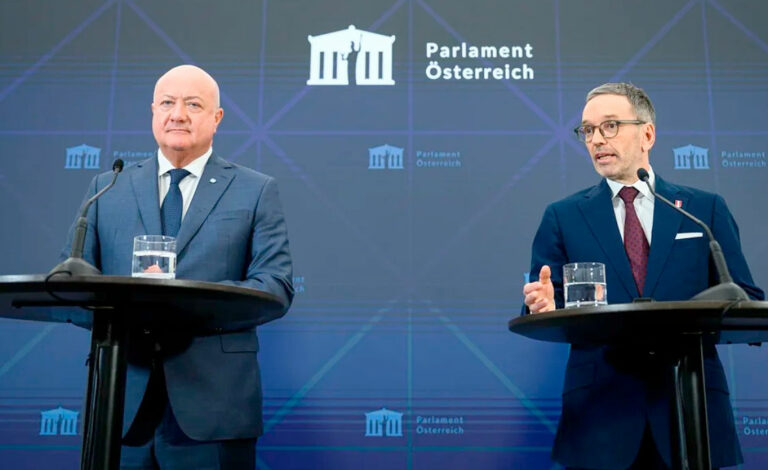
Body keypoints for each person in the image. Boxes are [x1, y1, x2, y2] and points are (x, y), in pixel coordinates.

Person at [60, 65, 293, 469]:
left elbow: (274, 286)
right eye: (167, 103)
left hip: (214, 406)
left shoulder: (255, 190)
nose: (178, 114)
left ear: (217, 118)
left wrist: (183, 299)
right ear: (153, 111)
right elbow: (70, 282)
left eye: (193, 105)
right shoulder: (107, 188)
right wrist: (129, 302)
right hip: (119, 404)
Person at [522, 82, 764, 470]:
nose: (597, 139)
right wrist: (543, 305)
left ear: (647, 134)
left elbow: (744, 296)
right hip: (601, 415)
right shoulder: (564, 217)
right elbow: (542, 303)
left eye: (610, 126)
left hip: (690, 409)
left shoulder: (702, 209)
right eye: (588, 130)